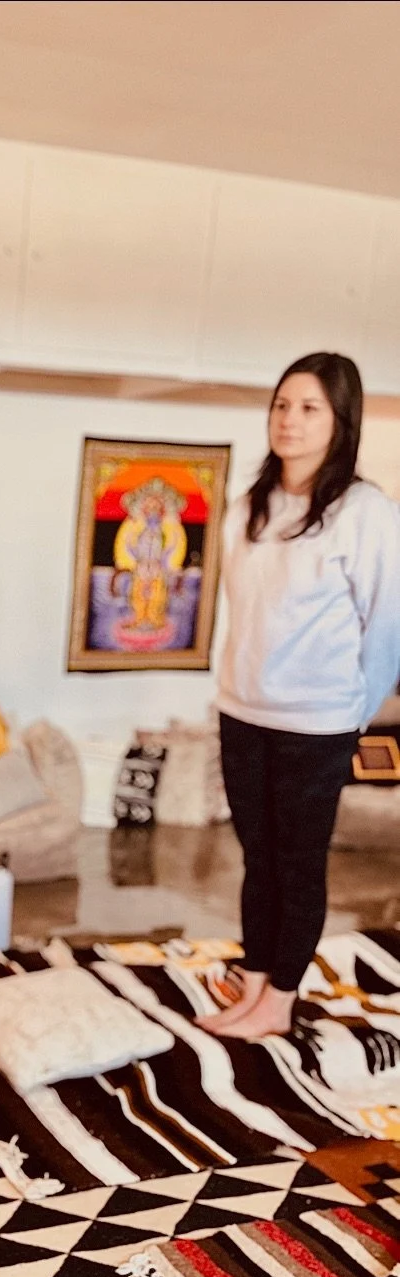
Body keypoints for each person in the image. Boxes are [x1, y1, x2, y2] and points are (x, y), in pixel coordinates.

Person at [200, 352, 400, 1041]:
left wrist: (350, 712)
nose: (288, 420)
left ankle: (279, 1000)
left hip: (317, 723)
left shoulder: (363, 510)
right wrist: (230, 688)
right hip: (241, 711)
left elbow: (385, 629)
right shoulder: (246, 507)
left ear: (340, 421)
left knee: (296, 859)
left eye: (308, 407)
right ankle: (252, 983)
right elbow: (242, 614)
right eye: (281, 405)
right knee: (255, 853)